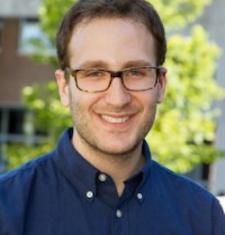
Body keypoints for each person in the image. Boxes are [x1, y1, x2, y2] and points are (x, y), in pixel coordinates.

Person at [0, 0, 225, 234]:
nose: (117, 99)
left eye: (136, 72)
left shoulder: (202, 216)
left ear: (160, 84)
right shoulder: (6, 210)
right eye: (95, 73)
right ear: (64, 87)